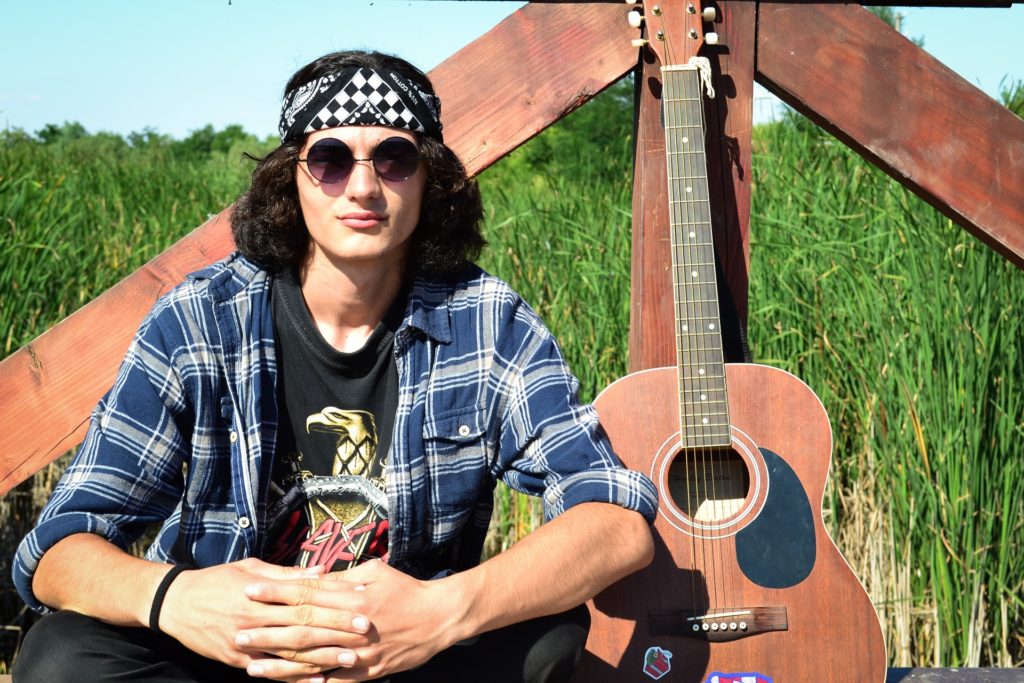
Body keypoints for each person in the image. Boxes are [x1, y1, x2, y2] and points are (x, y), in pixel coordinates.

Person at [12, 50, 657, 683]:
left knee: (545, 637)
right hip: (226, 649)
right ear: (290, 177)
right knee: (63, 654)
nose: (363, 185)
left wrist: (442, 613)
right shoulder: (200, 320)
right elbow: (60, 545)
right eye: (330, 158)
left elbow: (614, 520)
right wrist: (178, 600)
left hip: (400, 650)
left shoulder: (488, 323)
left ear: (431, 178)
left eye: (395, 158)